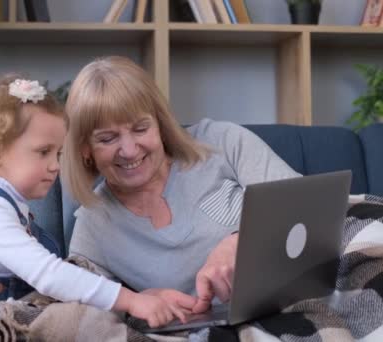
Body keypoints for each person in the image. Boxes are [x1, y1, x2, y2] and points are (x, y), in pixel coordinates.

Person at [0, 74, 193, 328]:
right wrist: (133, 301)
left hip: (9, 316)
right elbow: (49, 275)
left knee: (83, 305)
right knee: (73, 320)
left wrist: (140, 299)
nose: (55, 166)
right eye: (43, 152)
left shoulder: (4, 204)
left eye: (58, 154)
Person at [61, 56, 302, 315]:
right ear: (85, 149)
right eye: (108, 139)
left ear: (161, 125)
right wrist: (140, 299)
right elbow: (78, 302)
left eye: (141, 129)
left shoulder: (223, 141)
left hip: (291, 301)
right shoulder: (94, 224)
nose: (129, 151)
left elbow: (308, 205)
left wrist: (241, 242)